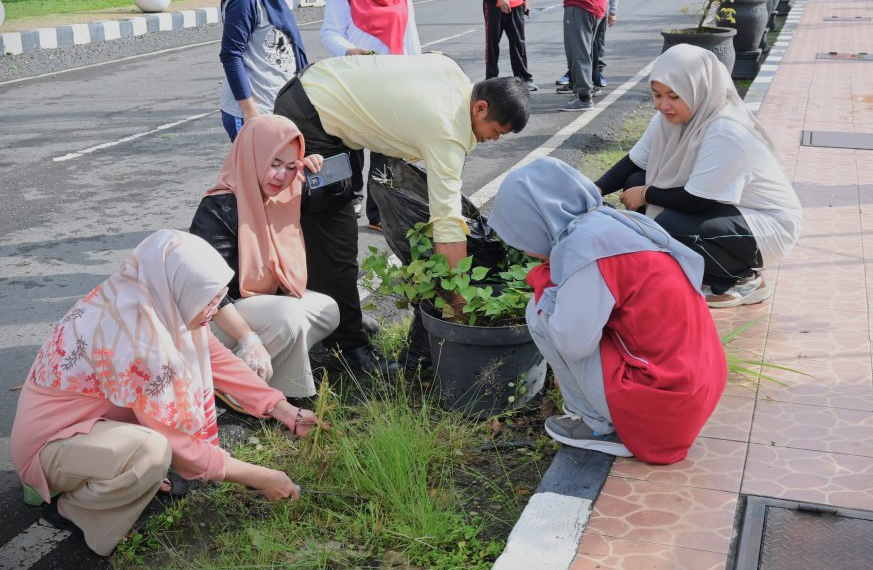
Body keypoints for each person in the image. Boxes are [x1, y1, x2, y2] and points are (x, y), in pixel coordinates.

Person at [10, 230, 324, 556]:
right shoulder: (134, 338)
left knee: (153, 453)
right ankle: (74, 509)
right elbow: (177, 444)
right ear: (176, 285)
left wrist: (280, 407)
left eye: (218, 298)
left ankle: (106, 475)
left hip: (86, 427)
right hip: (50, 446)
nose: (215, 309)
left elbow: (213, 356)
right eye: (208, 300)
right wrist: (262, 477)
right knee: (151, 452)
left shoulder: (143, 298)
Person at [273, 54, 531, 374]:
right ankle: (349, 348)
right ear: (480, 108)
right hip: (311, 120)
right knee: (334, 230)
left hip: (324, 94)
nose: (494, 139)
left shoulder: (450, 71)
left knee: (332, 217)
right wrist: (459, 300)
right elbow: (448, 223)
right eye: (496, 130)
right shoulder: (448, 130)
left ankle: (338, 315)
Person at [488, 157, 727, 464]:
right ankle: (603, 417)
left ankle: (596, 425)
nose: (521, 245)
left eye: (518, 234)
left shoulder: (586, 249)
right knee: (560, 308)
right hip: (692, 389)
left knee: (540, 310)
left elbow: (572, 343)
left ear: (535, 220)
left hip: (662, 411)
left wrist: (543, 278)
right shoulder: (610, 223)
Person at [595, 45, 802, 307]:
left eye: (674, 96)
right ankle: (709, 266)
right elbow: (634, 162)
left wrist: (646, 194)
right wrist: (595, 189)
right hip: (727, 210)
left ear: (699, 89)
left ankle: (741, 278)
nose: (663, 105)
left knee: (669, 224)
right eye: (657, 95)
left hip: (769, 224)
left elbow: (697, 201)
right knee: (635, 181)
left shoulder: (725, 130)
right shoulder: (668, 119)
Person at [189, 115, 340, 398]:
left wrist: (317, 171)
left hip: (258, 307)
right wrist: (248, 339)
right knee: (288, 316)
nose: (282, 176)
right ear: (253, 157)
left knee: (327, 309)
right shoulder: (219, 207)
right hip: (215, 319)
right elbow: (207, 290)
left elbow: (335, 197)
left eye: (290, 166)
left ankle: (271, 386)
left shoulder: (285, 194)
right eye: (274, 164)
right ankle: (237, 388)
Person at [322, 0, 422, 226]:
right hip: (354, 77)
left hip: (390, 78)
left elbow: (410, 34)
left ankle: (379, 213)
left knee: (385, 146)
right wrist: (350, 50)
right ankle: (349, 197)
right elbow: (330, 33)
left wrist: (417, 70)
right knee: (350, 143)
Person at [218, 0, 308, 141]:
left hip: (277, 107)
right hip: (253, 112)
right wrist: (249, 111)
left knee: (280, 174)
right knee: (259, 174)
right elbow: (231, 55)